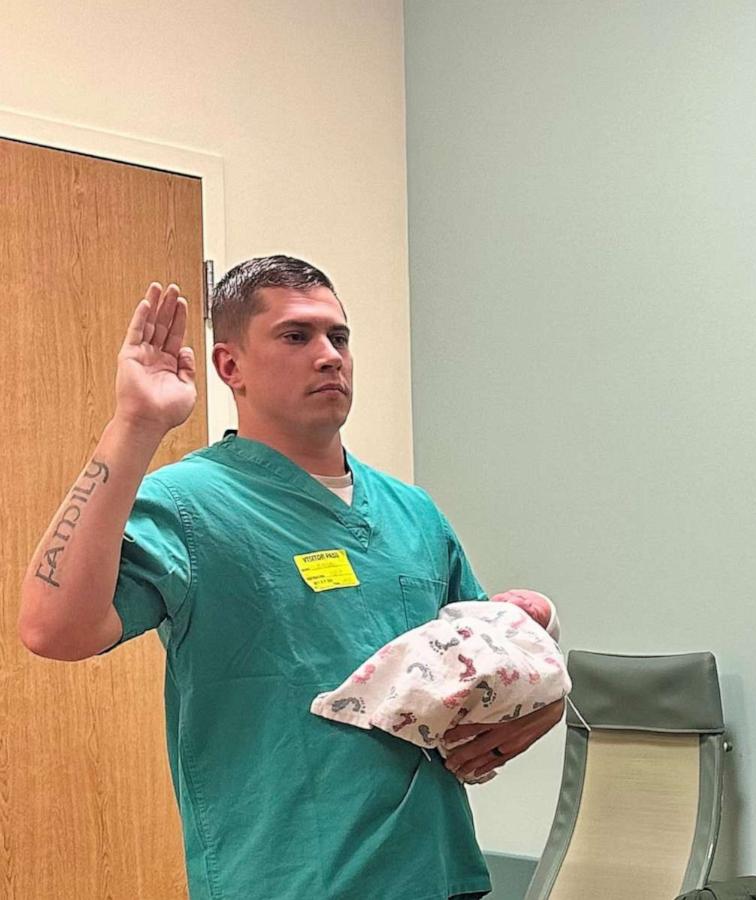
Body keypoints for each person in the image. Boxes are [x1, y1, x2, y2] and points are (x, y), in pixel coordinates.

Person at [17, 255, 564, 900]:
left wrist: (544, 697)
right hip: (286, 877)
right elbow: (53, 629)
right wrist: (134, 426)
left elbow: (484, 671)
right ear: (230, 367)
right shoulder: (191, 504)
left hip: (439, 874)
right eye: (296, 336)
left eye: (339, 336)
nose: (329, 355)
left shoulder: (412, 512)